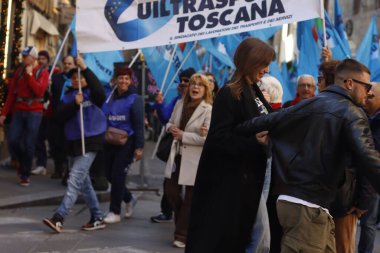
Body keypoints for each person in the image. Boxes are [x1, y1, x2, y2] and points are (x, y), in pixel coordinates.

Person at [235, 58, 380, 252]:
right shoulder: (351, 112)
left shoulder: (309, 105)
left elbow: (257, 123)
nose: (369, 91)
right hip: (308, 206)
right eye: (367, 86)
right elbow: (368, 156)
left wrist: (239, 131)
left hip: (300, 203)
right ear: (350, 83)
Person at [186, 37, 275, 253]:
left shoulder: (254, 90)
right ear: (251, 62)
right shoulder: (230, 93)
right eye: (264, 63)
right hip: (231, 183)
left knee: (253, 235)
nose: (267, 69)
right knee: (255, 236)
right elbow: (218, 138)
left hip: (251, 179)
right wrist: (253, 142)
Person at [42, 56, 107, 232]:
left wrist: (85, 68)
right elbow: (59, 116)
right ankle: (97, 216)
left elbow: (100, 92)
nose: (77, 79)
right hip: (74, 143)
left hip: (90, 142)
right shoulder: (69, 95)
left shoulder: (93, 94)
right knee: (84, 183)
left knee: (74, 180)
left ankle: (59, 217)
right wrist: (74, 104)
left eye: (80, 76)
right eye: (74, 77)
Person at [164, 73, 212, 248]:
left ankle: (182, 235)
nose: (195, 87)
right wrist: (171, 128)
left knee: (191, 198)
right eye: (193, 84)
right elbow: (168, 123)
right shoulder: (179, 103)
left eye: (200, 85)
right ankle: (186, 224)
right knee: (171, 192)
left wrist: (184, 135)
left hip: (195, 159)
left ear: (206, 89)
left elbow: (207, 139)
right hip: (176, 155)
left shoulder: (208, 109)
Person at [150, 67, 196, 223]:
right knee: (170, 184)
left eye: (186, 81)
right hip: (176, 150)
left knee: (189, 187)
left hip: (192, 152)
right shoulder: (178, 100)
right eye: (181, 80)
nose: (182, 83)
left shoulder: (203, 104)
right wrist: (160, 104)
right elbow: (166, 119)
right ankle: (168, 211)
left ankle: (186, 219)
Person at [0, 46, 49, 186]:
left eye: (26, 56)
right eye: (22, 56)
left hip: (35, 111)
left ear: (33, 58)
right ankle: (21, 162)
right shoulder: (19, 72)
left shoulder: (42, 72)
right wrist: (4, 113)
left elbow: (39, 91)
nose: (23, 59)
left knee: (29, 144)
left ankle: (25, 173)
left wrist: (29, 76)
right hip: (19, 110)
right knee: (13, 139)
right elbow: (11, 94)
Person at [102, 66, 144, 223]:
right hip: (109, 142)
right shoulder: (109, 96)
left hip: (127, 144)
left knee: (118, 176)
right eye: (121, 78)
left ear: (131, 80)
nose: (123, 81)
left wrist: (139, 147)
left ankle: (114, 212)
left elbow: (139, 124)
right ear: (115, 80)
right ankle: (130, 198)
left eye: (127, 78)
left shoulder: (135, 99)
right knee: (109, 175)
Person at [358, 83, 380, 253]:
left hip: (373, 178)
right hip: (362, 177)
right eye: (366, 95)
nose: (366, 99)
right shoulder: (360, 115)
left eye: (371, 96)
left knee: (368, 223)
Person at [32, 50, 61, 176]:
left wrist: (51, 84)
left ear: (48, 60)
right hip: (40, 109)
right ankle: (41, 164)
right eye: (39, 58)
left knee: (52, 139)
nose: (41, 61)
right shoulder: (36, 72)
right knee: (38, 138)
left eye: (43, 58)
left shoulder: (55, 72)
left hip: (50, 111)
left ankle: (58, 166)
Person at [48, 55, 76, 180]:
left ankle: (67, 169)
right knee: (55, 143)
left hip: (71, 117)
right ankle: (58, 168)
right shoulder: (56, 78)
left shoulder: (76, 80)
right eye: (65, 63)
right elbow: (47, 94)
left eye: (70, 64)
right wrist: (47, 85)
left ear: (74, 65)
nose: (67, 66)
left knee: (67, 144)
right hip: (56, 115)